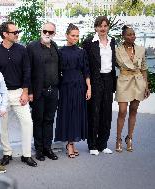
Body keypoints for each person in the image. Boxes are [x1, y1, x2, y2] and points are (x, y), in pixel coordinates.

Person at [0, 21, 37, 167]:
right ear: (5, 34)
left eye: (18, 31)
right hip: (2, 95)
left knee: (27, 123)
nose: (17, 34)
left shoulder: (22, 49)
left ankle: (26, 155)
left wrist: (26, 92)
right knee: (2, 127)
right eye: (14, 32)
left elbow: (27, 72)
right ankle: (7, 153)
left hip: (19, 93)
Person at [55, 24, 91, 158]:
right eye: (73, 35)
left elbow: (86, 71)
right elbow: (57, 71)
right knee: (68, 114)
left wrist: (89, 88)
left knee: (76, 114)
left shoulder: (81, 52)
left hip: (80, 86)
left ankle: (72, 143)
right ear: (66, 35)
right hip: (66, 86)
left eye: (77, 36)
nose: (75, 38)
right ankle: (70, 144)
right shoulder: (60, 51)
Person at [82, 16, 117, 156]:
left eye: (105, 25)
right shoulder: (89, 43)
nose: (103, 28)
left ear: (108, 27)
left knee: (107, 113)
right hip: (96, 80)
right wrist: (88, 84)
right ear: (95, 27)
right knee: (94, 112)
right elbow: (85, 66)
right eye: (100, 26)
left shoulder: (112, 41)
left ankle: (103, 144)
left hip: (108, 79)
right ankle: (93, 144)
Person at [26, 22, 60, 161]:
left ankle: (48, 148)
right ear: (41, 31)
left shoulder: (55, 46)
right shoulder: (32, 47)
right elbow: (27, 70)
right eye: (45, 31)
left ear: (54, 34)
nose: (47, 33)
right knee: (38, 120)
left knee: (49, 120)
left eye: (50, 32)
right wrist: (29, 92)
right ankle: (39, 150)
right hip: (38, 91)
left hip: (53, 91)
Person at [115, 25, 150, 152]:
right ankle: (118, 138)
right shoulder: (117, 50)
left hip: (138, 81)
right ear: (123, 36)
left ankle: (129, 138)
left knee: (134, 109)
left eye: (133, 34)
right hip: (124, 81)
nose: (132, 36)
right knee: (122, 111)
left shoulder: (141, 49)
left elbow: (144, 69)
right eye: (129, 34)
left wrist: (146, 86)